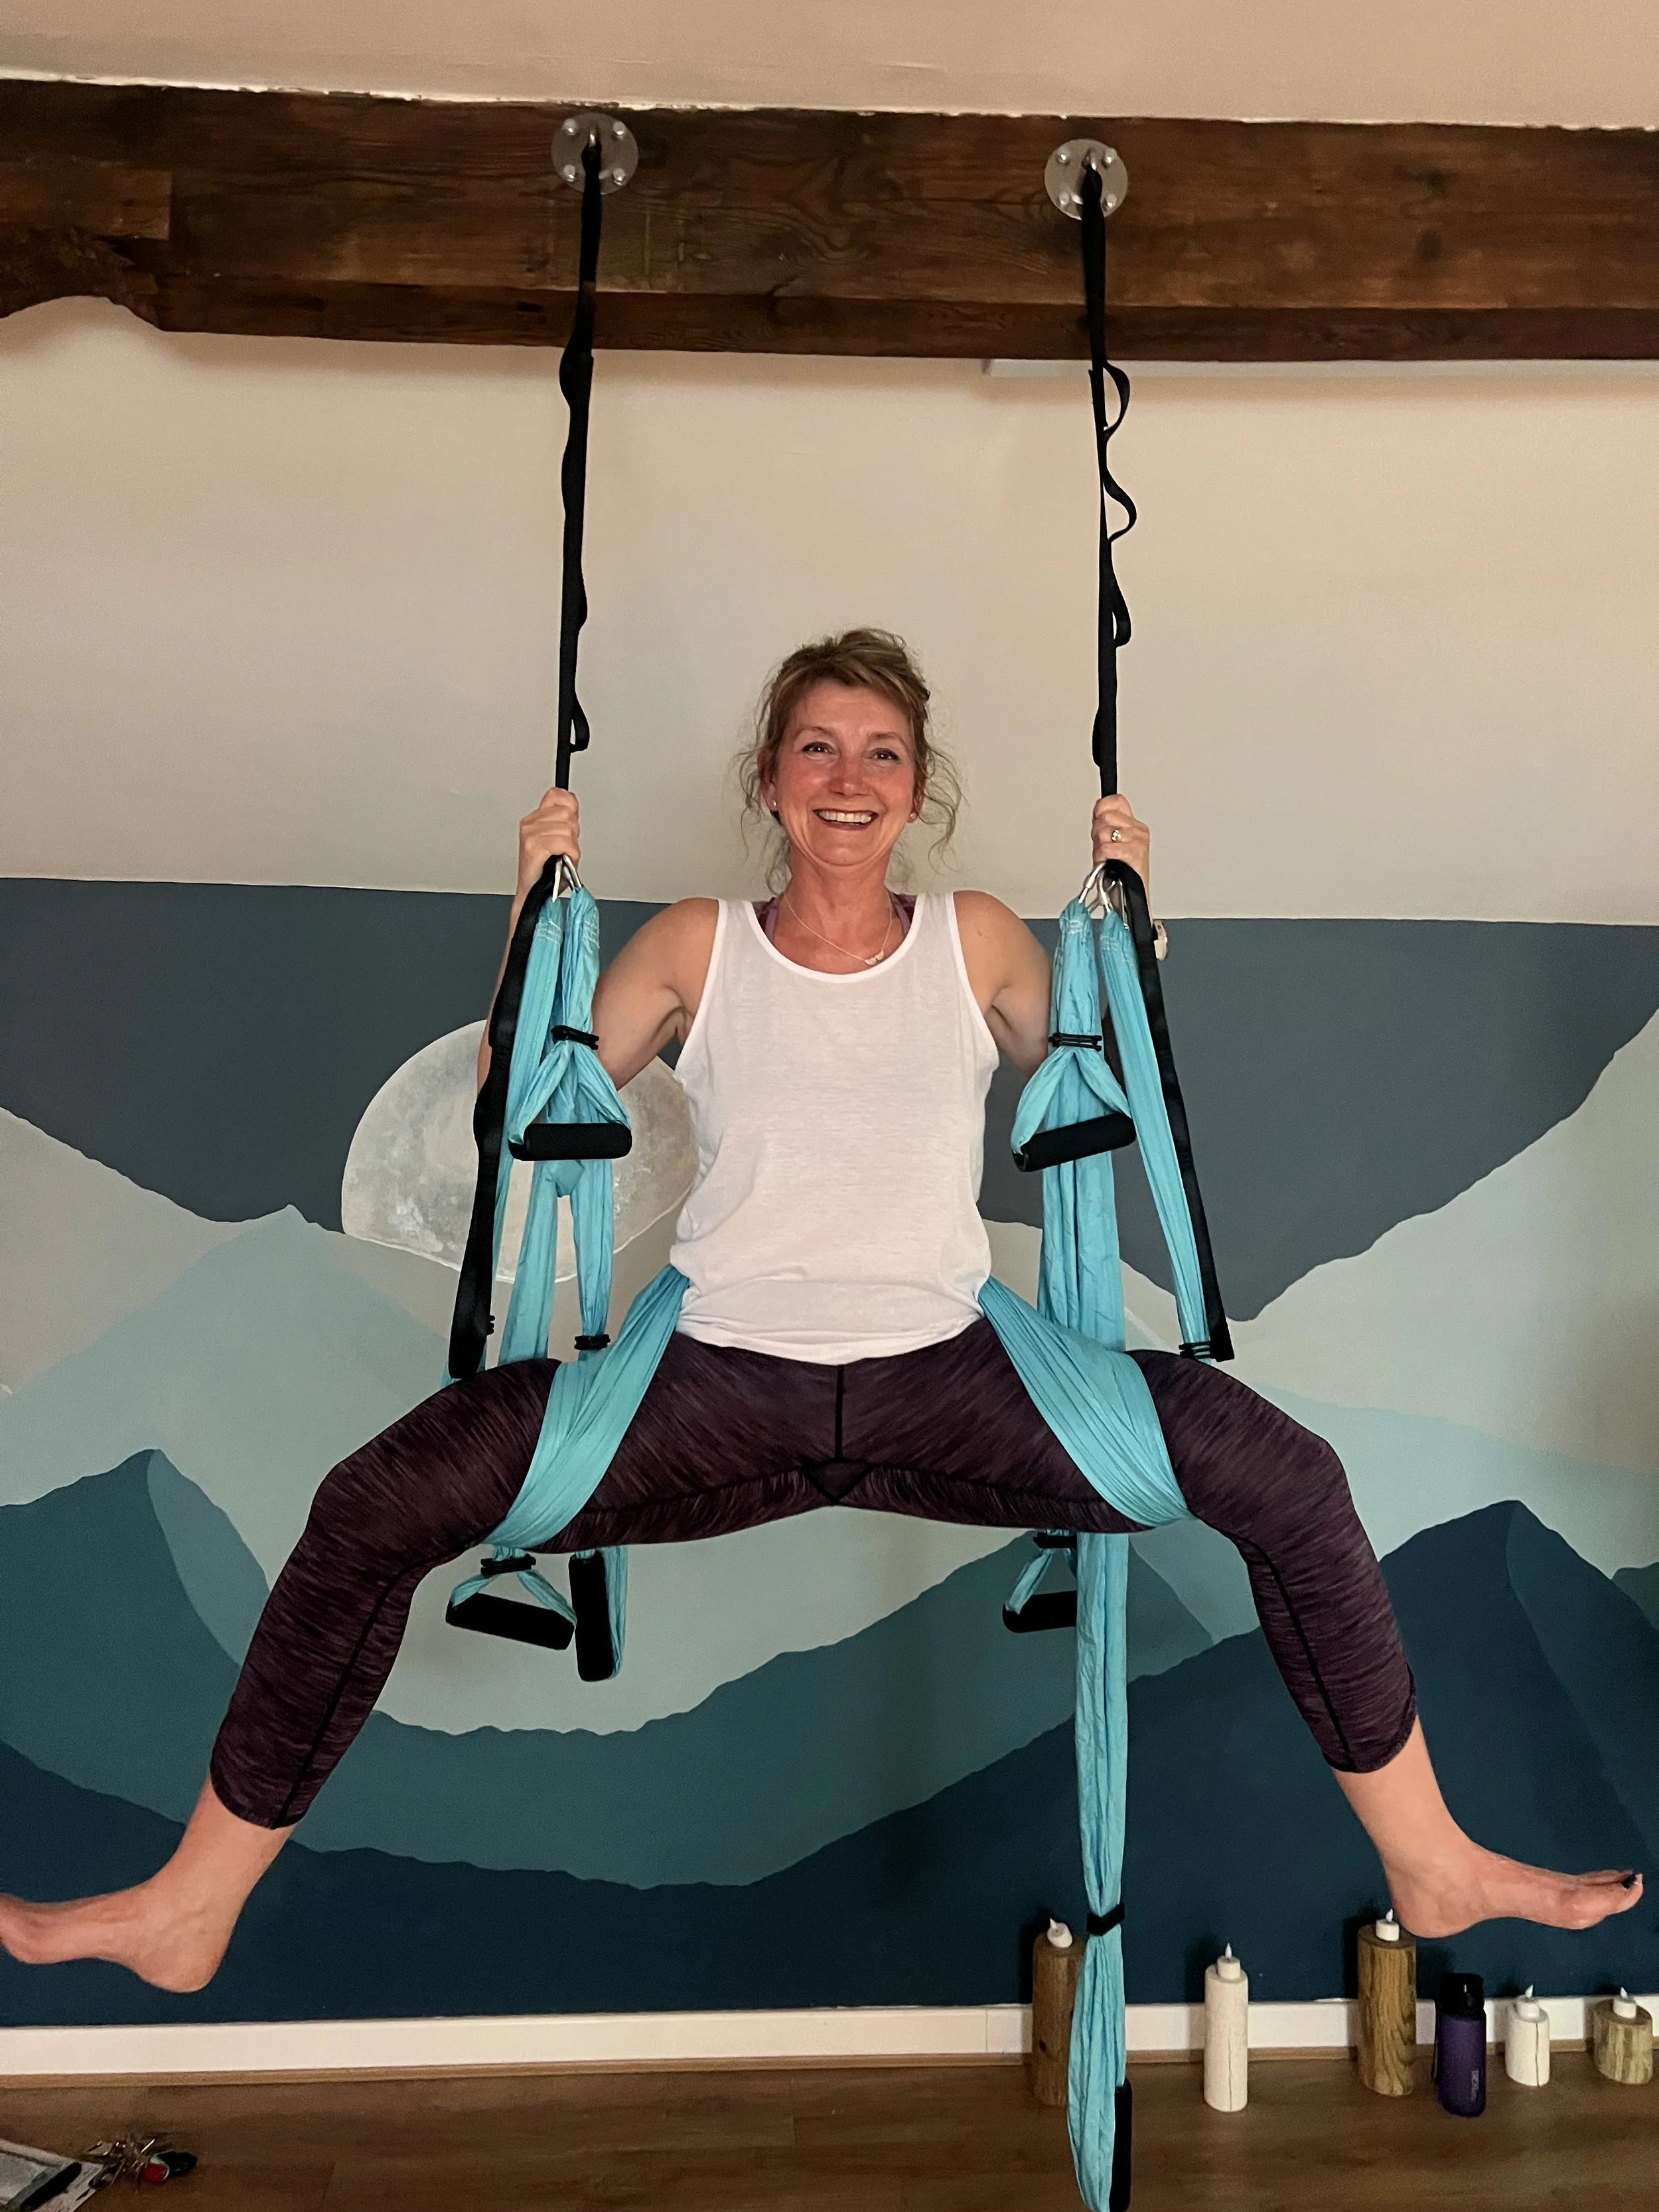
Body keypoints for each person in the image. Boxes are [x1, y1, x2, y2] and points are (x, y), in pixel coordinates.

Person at [0, 629, 1640, 1994]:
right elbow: (524, 1112)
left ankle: (1426, 1864)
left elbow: (1101, 1091)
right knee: (371, 1505)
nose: (846, 778)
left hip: (951, 1377)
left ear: (914, 789)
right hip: (721, 1382)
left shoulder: (972, 939)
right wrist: (532, 926)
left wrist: (1130, 922)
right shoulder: (699, 947)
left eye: (877, 752)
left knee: (1285, 1480)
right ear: (769, 780)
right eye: (814, 748)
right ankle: (192, 1902)